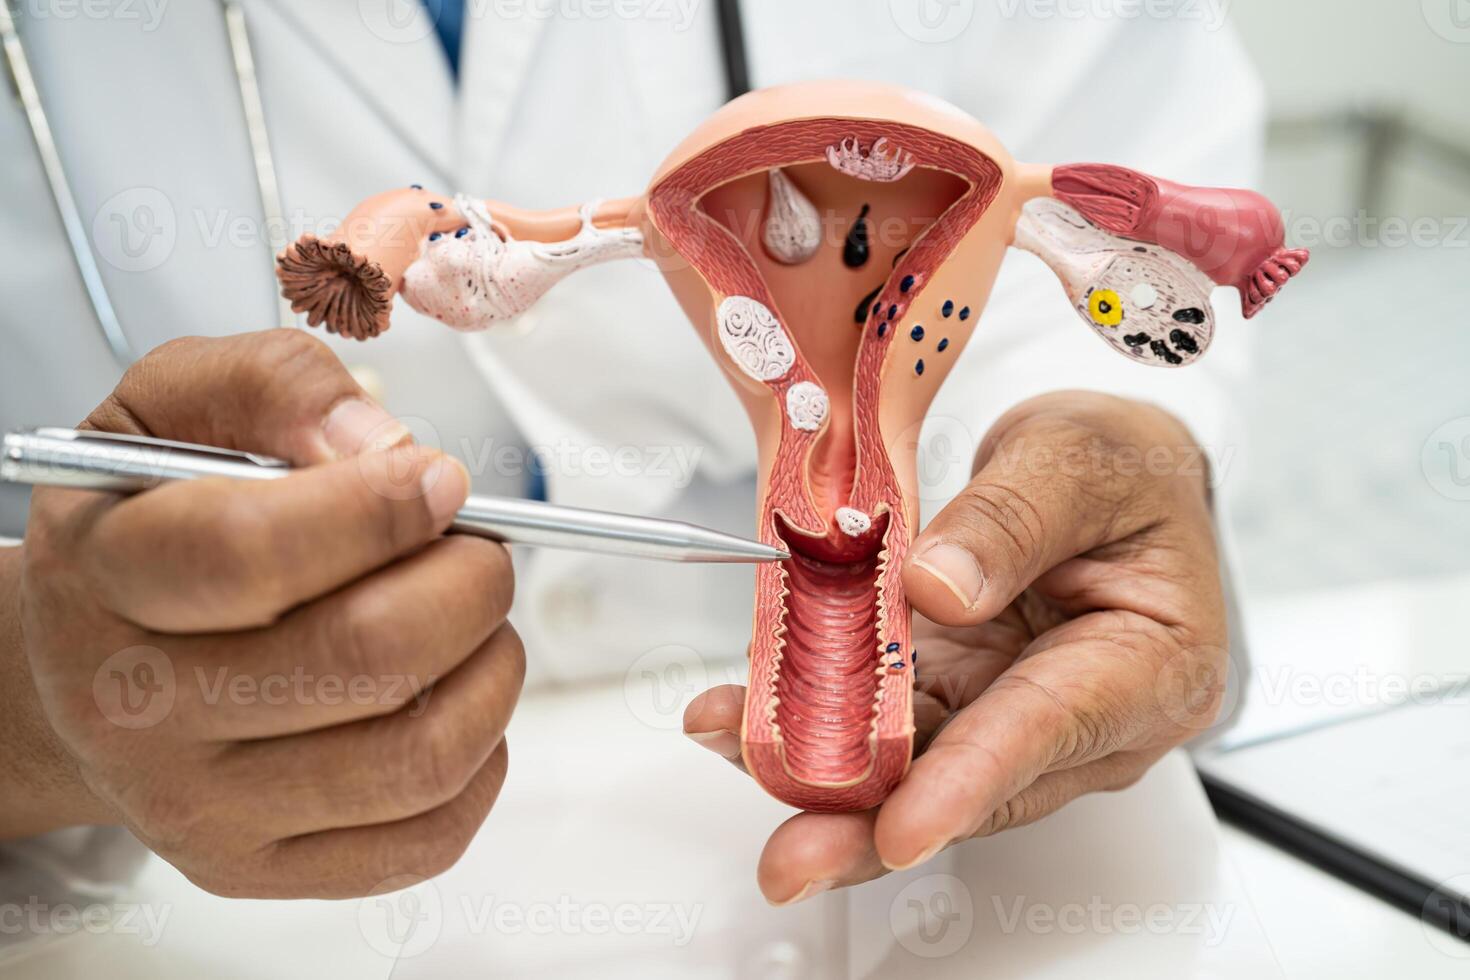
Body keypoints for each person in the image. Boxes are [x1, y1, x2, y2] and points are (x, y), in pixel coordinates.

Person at [0, 0, 1252, 926]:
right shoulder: (668, 230)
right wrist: (33, 708)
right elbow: (494, 243)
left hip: (913, 851)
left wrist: (1107, 435)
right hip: (148, 896)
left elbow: (1118, 171)